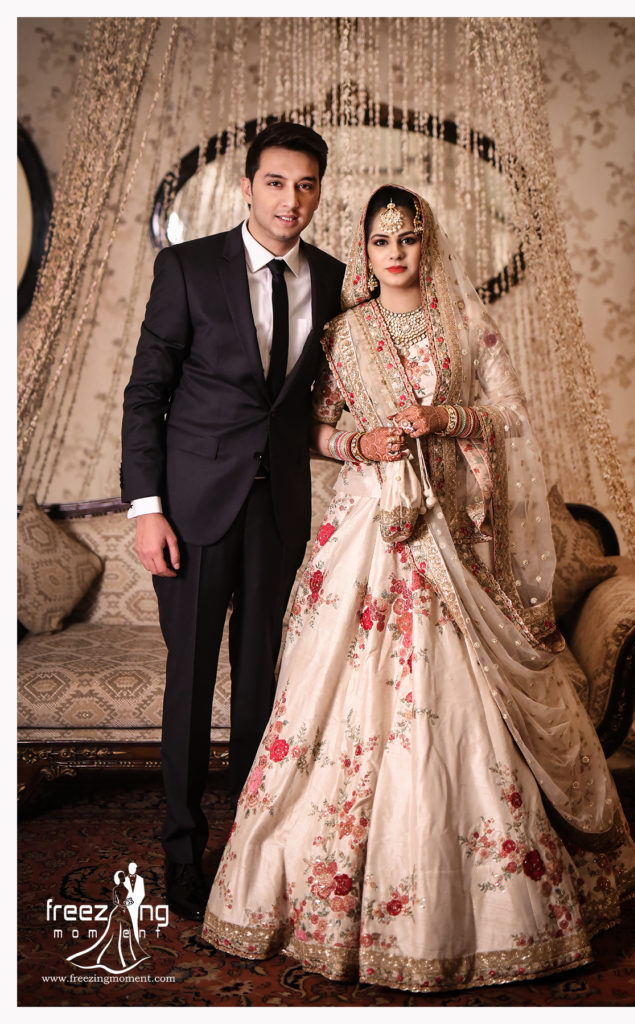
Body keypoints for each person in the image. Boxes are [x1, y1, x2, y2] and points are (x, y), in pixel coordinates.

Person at [201, 186, 635, 993]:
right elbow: (309, 429)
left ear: (425, 243)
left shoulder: (466, 325)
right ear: (363, 251)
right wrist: (357, 441)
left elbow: (512, 420)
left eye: (407, 237)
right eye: (381, 241)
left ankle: (491, 909)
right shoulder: (343, 334)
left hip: (452, 536)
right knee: (330, 701)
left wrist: (446, 419)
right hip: (367, 534)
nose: (395, 252)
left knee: (459, 707)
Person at [121, 122, 345, 921]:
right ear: (246, 188)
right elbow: (145, 395)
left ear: (318, 193)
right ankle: (183, 850)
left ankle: (250, 849)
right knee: (189, 682)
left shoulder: (333, 278)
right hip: (191, 511)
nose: (291, 200)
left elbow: (316, 403)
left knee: (261, 688)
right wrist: (147, 510)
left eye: (306, 185)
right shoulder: (187, 268)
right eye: (276, 183)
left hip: (278, 510)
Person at [66, 871, 149, 974]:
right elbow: (116, 901)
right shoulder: (116, 889)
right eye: (121, 879)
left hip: (123, 911)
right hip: (119, 912)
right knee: (114, 933)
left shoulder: (127, 889)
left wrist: (128, 903)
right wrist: (123, 905)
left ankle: (122, 960)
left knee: (120, 933)